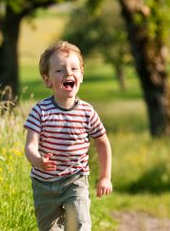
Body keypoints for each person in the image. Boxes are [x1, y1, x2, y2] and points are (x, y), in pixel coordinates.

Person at [24, 41, 113, 231]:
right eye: (59, 70)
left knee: (79, 224)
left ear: (81, 74)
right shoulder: (40, 111)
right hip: (44, 184)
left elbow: (102, 142)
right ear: (47, 80)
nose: (68, 73)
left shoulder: (87, 112)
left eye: (74, 68)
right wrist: (38, 160)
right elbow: (30, 145)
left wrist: (105, 176)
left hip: (75, 180)